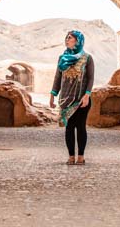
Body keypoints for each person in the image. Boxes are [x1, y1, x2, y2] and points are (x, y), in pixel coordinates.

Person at [49, 29, 95, 165]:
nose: (67, 40)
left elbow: (91, 78)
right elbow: (58, 77)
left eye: (70, 38)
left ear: (78, 41)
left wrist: (87, 95)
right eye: (67, 37)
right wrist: (53, 95)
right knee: (69, 128)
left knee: (80, 127)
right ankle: (70, 156)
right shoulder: (62, 58)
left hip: (81, 100)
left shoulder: (87, 58)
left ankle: (80, 156)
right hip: (65, 99)